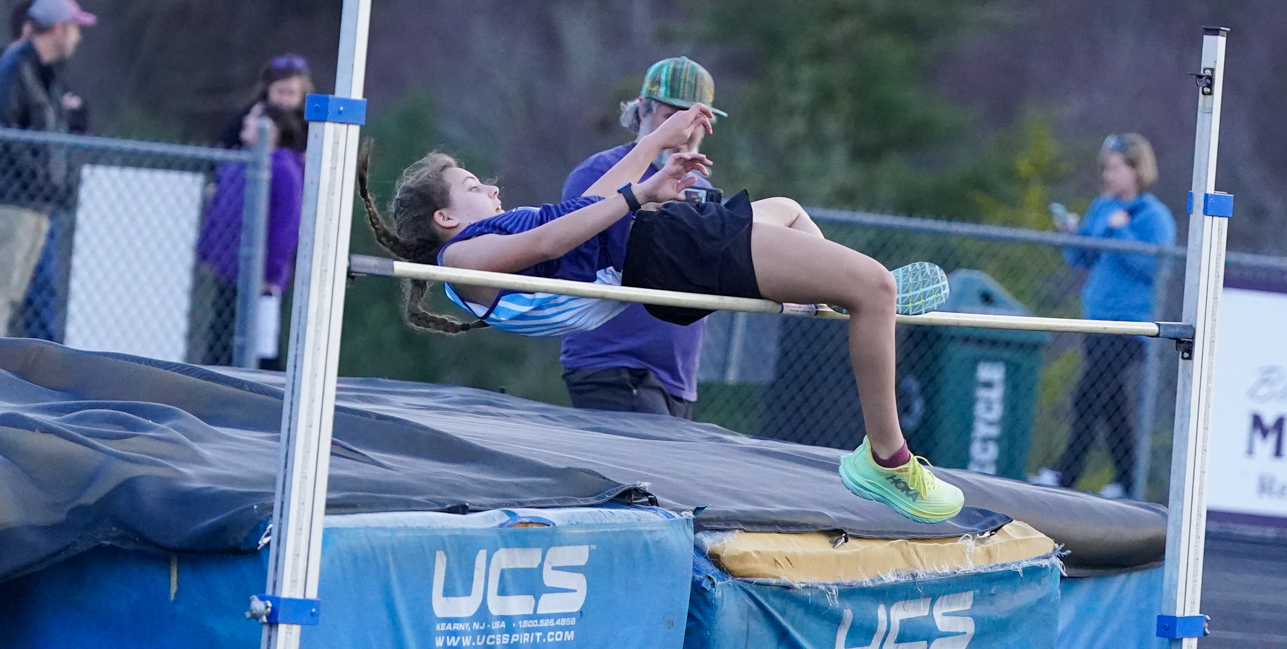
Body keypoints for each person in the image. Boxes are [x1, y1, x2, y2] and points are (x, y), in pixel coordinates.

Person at [356, 103, 966, 523]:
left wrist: (655, 146)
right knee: (875, 288)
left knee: (787, 211)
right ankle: (886, 458)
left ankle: (817, 296)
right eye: (472, 186)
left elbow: (585, 207)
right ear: (445, 218)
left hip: (657, 247)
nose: (492, 188)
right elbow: (550, 240)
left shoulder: (482, 247)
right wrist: (640, 193)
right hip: (660, 247)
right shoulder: (464, 257)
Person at [558, 56, 726, 418]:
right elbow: (565, 248)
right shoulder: (601, 170)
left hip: (678, 378)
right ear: (642, 111)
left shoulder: (700, 185)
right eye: (673, 116)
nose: (685, 130)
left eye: (697, 119)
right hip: (614, 364)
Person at [1034, 133, 1175, 498]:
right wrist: (1072, 234)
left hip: (1131, 327)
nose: (1107, 175)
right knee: (1111, 403)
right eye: (1105, 169)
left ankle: (1066, 474)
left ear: (1136, 170)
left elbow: (1155, 268)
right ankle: (1127, 481)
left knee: (1088, 395)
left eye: (1115, 168)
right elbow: (1082, 258)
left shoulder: (1153, 216)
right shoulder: (1101, 206)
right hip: (1096, 320)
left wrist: (1120, 229)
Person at [0, 0, 95, 337]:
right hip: (12, 198)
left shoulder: (44, 73)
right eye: (74, 29)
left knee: (12, 293)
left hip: (36, 200)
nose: (78, 38)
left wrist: (51, 186)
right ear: (57, 29)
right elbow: (3, 133)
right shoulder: (14, 66)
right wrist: (40, 179)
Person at [194, 102, 306, 367]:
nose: (246, 122)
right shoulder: (236, 164)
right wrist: (205, 251)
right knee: (220, 341)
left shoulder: (283, 169)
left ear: (273, 130)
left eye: (254, 118)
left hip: (260, 278)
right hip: (229, 272)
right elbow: (216, 211)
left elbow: (286, 227)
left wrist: (271, 274)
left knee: (261, 348)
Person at [217, 54, 314, 149]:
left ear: (302, 95)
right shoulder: (250, 115)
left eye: (291, 93)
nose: (285, 99)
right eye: (280, 91)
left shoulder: (310, 124)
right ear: (267, 90)